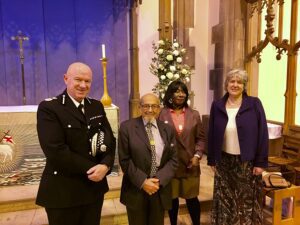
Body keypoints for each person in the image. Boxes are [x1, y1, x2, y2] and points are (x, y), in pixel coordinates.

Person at [36, 62, 116, 225]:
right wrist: (94, 168)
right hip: (63, 191)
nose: (83, 85)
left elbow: (109, 140)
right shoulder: (50, 108)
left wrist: (106, 165)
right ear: (66, 79)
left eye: (87, 81)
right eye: (78, 80)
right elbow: (55, 150)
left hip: (93, 190)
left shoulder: (96, 106)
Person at [207, 69, 269, 225]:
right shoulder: (217, 105)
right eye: (232, 81)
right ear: (226, 84)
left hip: (247, 162)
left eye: (239, 82)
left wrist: (260, 162)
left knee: (246, 200)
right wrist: (212, 159)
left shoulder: (254, 104)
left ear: (244, 85)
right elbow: (212, 133)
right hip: (224, 161)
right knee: (225, 199)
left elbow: (262, 133)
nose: (235, 84)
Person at [118, 93, 178, 225]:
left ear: (159, 108)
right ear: (139, 107)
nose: (150, 110)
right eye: (146, 106)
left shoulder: (167, 129)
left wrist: (158, 181)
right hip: (136, 187)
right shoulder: (127, 127)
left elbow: (173, 160)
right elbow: (124, 160)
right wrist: (143, 182)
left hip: (159, 188)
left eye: (154, 106)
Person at [159, 80, 206, 225]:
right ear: (170, 94)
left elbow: (201, 138)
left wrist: (197, 155)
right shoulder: (161, 114)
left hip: (189, 163)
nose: (180, 94)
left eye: (183, 91)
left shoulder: (194, 114)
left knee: (192, 199)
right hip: (170, 165)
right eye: (176, 91)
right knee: (172, 200)